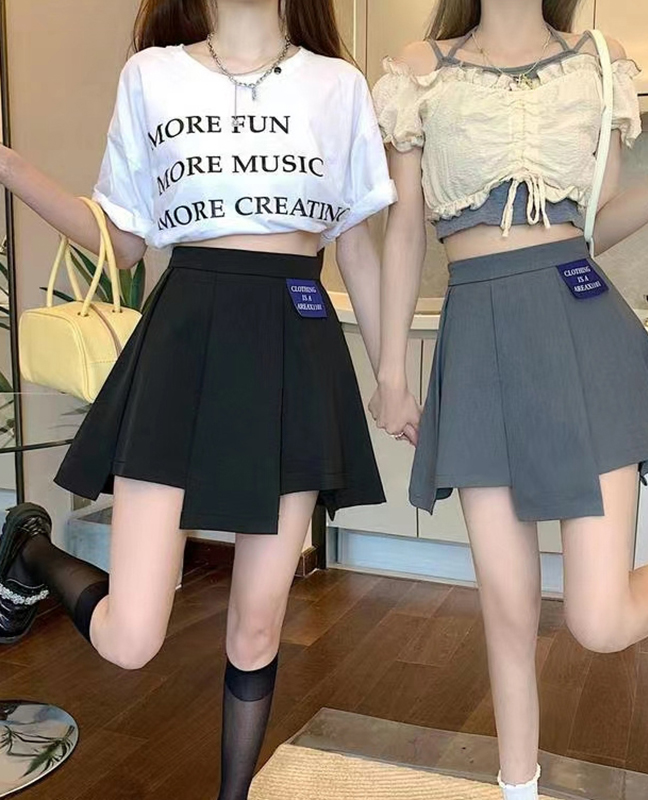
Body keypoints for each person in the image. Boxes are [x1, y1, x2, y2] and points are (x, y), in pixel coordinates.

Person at [369, 1, 648, 797]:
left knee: (599, 622)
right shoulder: (418, 71)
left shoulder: (598, 61)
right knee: (505, 607)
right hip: (481, 339)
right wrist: (390, 369)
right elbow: (403, 229)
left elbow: (598, 225)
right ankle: (518, 788)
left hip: (582, 329)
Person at [0, 1, 396, 797]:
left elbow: (356, 242)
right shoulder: (152, 76)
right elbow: (121, 240)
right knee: (131, 639)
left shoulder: (338, 85)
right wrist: (6, 163)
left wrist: (393, 373)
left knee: (257, 625)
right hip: (185, 342)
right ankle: (28, 548)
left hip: (294, 340)